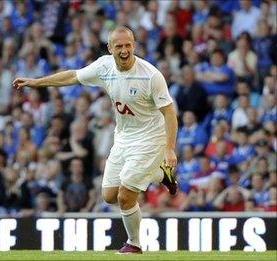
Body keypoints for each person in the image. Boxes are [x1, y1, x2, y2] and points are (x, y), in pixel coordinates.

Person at [13, 26, 179, 254]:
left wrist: (169, 149)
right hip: (123, 138)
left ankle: (134, 245)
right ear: (110, 48)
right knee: (109, 195)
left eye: (128, 45)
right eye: (118, 46)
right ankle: (161, 173)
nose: (124, 50)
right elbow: (73, 76)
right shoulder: (104, 66)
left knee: (125, 196)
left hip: (150, 139)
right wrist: (36, 82)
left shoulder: (150, 75)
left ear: (135, 46)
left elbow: (169, 113)